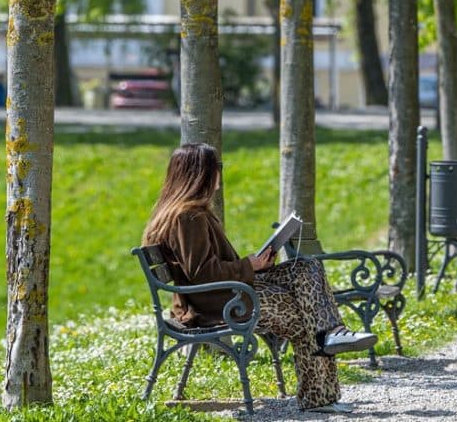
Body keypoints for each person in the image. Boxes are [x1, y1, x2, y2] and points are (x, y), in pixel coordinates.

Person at [142, 143, 376, 413]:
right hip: (217, 304)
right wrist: (250, 265)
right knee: (306, 317)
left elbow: (208, 268)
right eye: (217, 167)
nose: (220, 173)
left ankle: (334, 335)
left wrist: (256, 265)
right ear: (201, 174)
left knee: (306, 267)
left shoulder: (190, 213)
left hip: (226, 295)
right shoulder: (188, 217)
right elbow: (202, 273)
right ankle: (319, 396)